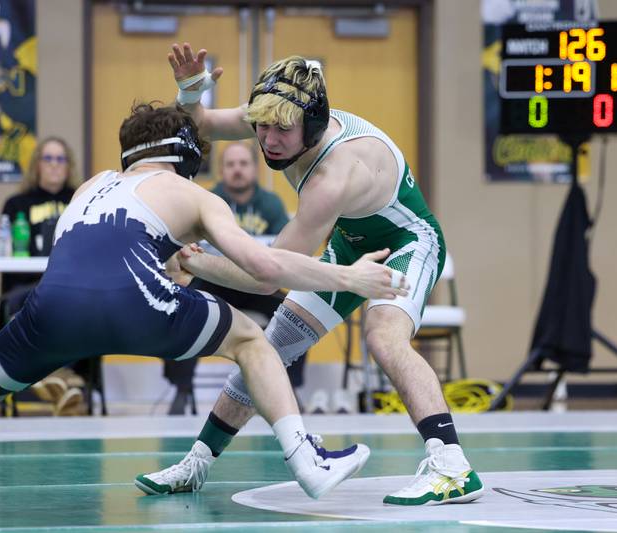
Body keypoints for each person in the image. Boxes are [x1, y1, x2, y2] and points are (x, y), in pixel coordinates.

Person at [0, 102, 409, 501]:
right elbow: (265, 272)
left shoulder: (89, 186)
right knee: (250, 339)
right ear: (187, 155)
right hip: (138, 302)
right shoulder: (192, 194)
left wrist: (183, 261)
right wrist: (350, 277)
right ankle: (307, 460)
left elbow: (105, 253)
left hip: (50, 312)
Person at [135, 44, 484, 506]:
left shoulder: (332, 177)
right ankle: (196, 462)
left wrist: (195, 262)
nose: (268, 140)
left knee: (383, 336)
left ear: (312, 126)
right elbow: (202, 125)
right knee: (267, 348)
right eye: (260, 127)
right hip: (348, 244)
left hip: (405, 243)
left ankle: (451, 465)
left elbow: (266, 277)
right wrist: (189, 91)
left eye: (281, 130)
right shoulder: (280, 110)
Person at [163, 141, 308, 414]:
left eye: (243, 164)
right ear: (221, 170)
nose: (237, 170)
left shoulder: (271, 204)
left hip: (257, 283)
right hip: (213, 279)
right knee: (178, 308)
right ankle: (181, 389)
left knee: (297, 313)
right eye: (231, 164)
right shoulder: (207, 200)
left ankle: (292, 387)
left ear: (254, 167)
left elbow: (282, 251)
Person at [0, 137, 86, 416]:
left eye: (60, 159)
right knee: (41, 302)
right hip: (28, 287)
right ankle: (64, 378)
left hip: (71, 287)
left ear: (69, 165)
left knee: (79, 305)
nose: (54, 166)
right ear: (36, 165)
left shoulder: (81, 200)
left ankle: (52, 377)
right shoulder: (16, 204)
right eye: (48, 158)